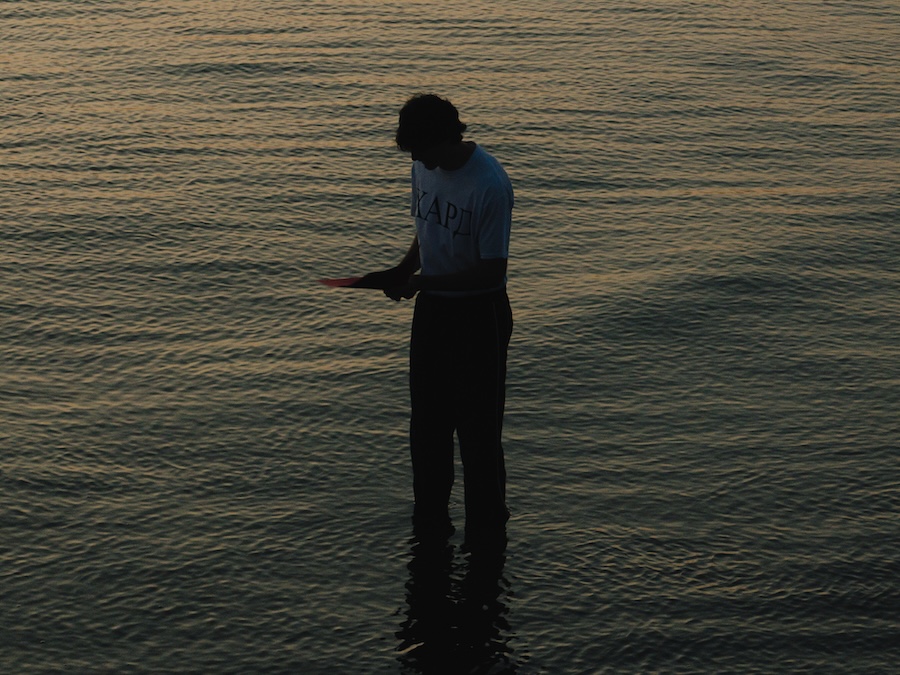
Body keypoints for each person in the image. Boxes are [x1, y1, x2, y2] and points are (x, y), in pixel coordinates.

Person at [362, 94, 514, 542]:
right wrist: (406, 269)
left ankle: (487, 532)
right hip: (433, 310)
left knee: (478, 434)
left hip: (479, 315)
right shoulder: (424, 166)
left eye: (420, 150)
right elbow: (426, 226)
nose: (415, 161)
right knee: (427, 426)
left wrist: (421, 282)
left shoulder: (488, 184)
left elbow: (492, 271)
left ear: (445, 138)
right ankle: (430, 524)